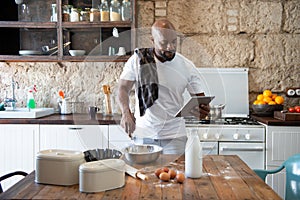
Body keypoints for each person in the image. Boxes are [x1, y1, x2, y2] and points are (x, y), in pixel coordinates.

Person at [117, 18, 209, 154]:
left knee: (176, 174)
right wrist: (126, 113)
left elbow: (201, 101)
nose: (170, 47)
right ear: (152, 41)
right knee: (143, 174)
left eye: (173, 42)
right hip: (143, 134)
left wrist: (202, 111)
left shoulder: (187, 66)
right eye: (164, 43)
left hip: (175, 137)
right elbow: (123, 88)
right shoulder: (138, 59)